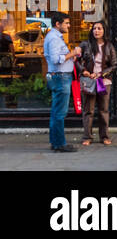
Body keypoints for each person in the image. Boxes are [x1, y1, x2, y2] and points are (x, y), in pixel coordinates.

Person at [43, 12, 81, 153]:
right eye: (66, 23)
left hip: (59, 77)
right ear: (57, 24)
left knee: (56, 111)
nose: (69, 25)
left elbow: (59, 58)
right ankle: (60, 144)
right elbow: (56, 59)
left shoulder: (54, 37)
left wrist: (71, 58)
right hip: (60, 78)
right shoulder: (54, 38)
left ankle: (56, 142)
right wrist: (73, 52)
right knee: (60, 112)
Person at [78, 21, 117, 146]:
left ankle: (104, 136)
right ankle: (87, 137)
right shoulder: (85, 45)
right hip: (89, 81)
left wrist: (101, 74)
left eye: (99, 28)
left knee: (103, 110)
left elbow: (114, 65)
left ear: (104, 31)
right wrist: (83, 71)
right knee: (88, 110)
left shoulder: (109, 46)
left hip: (103, 82)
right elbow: (77, 61)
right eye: (94, 28)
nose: (96, 31)